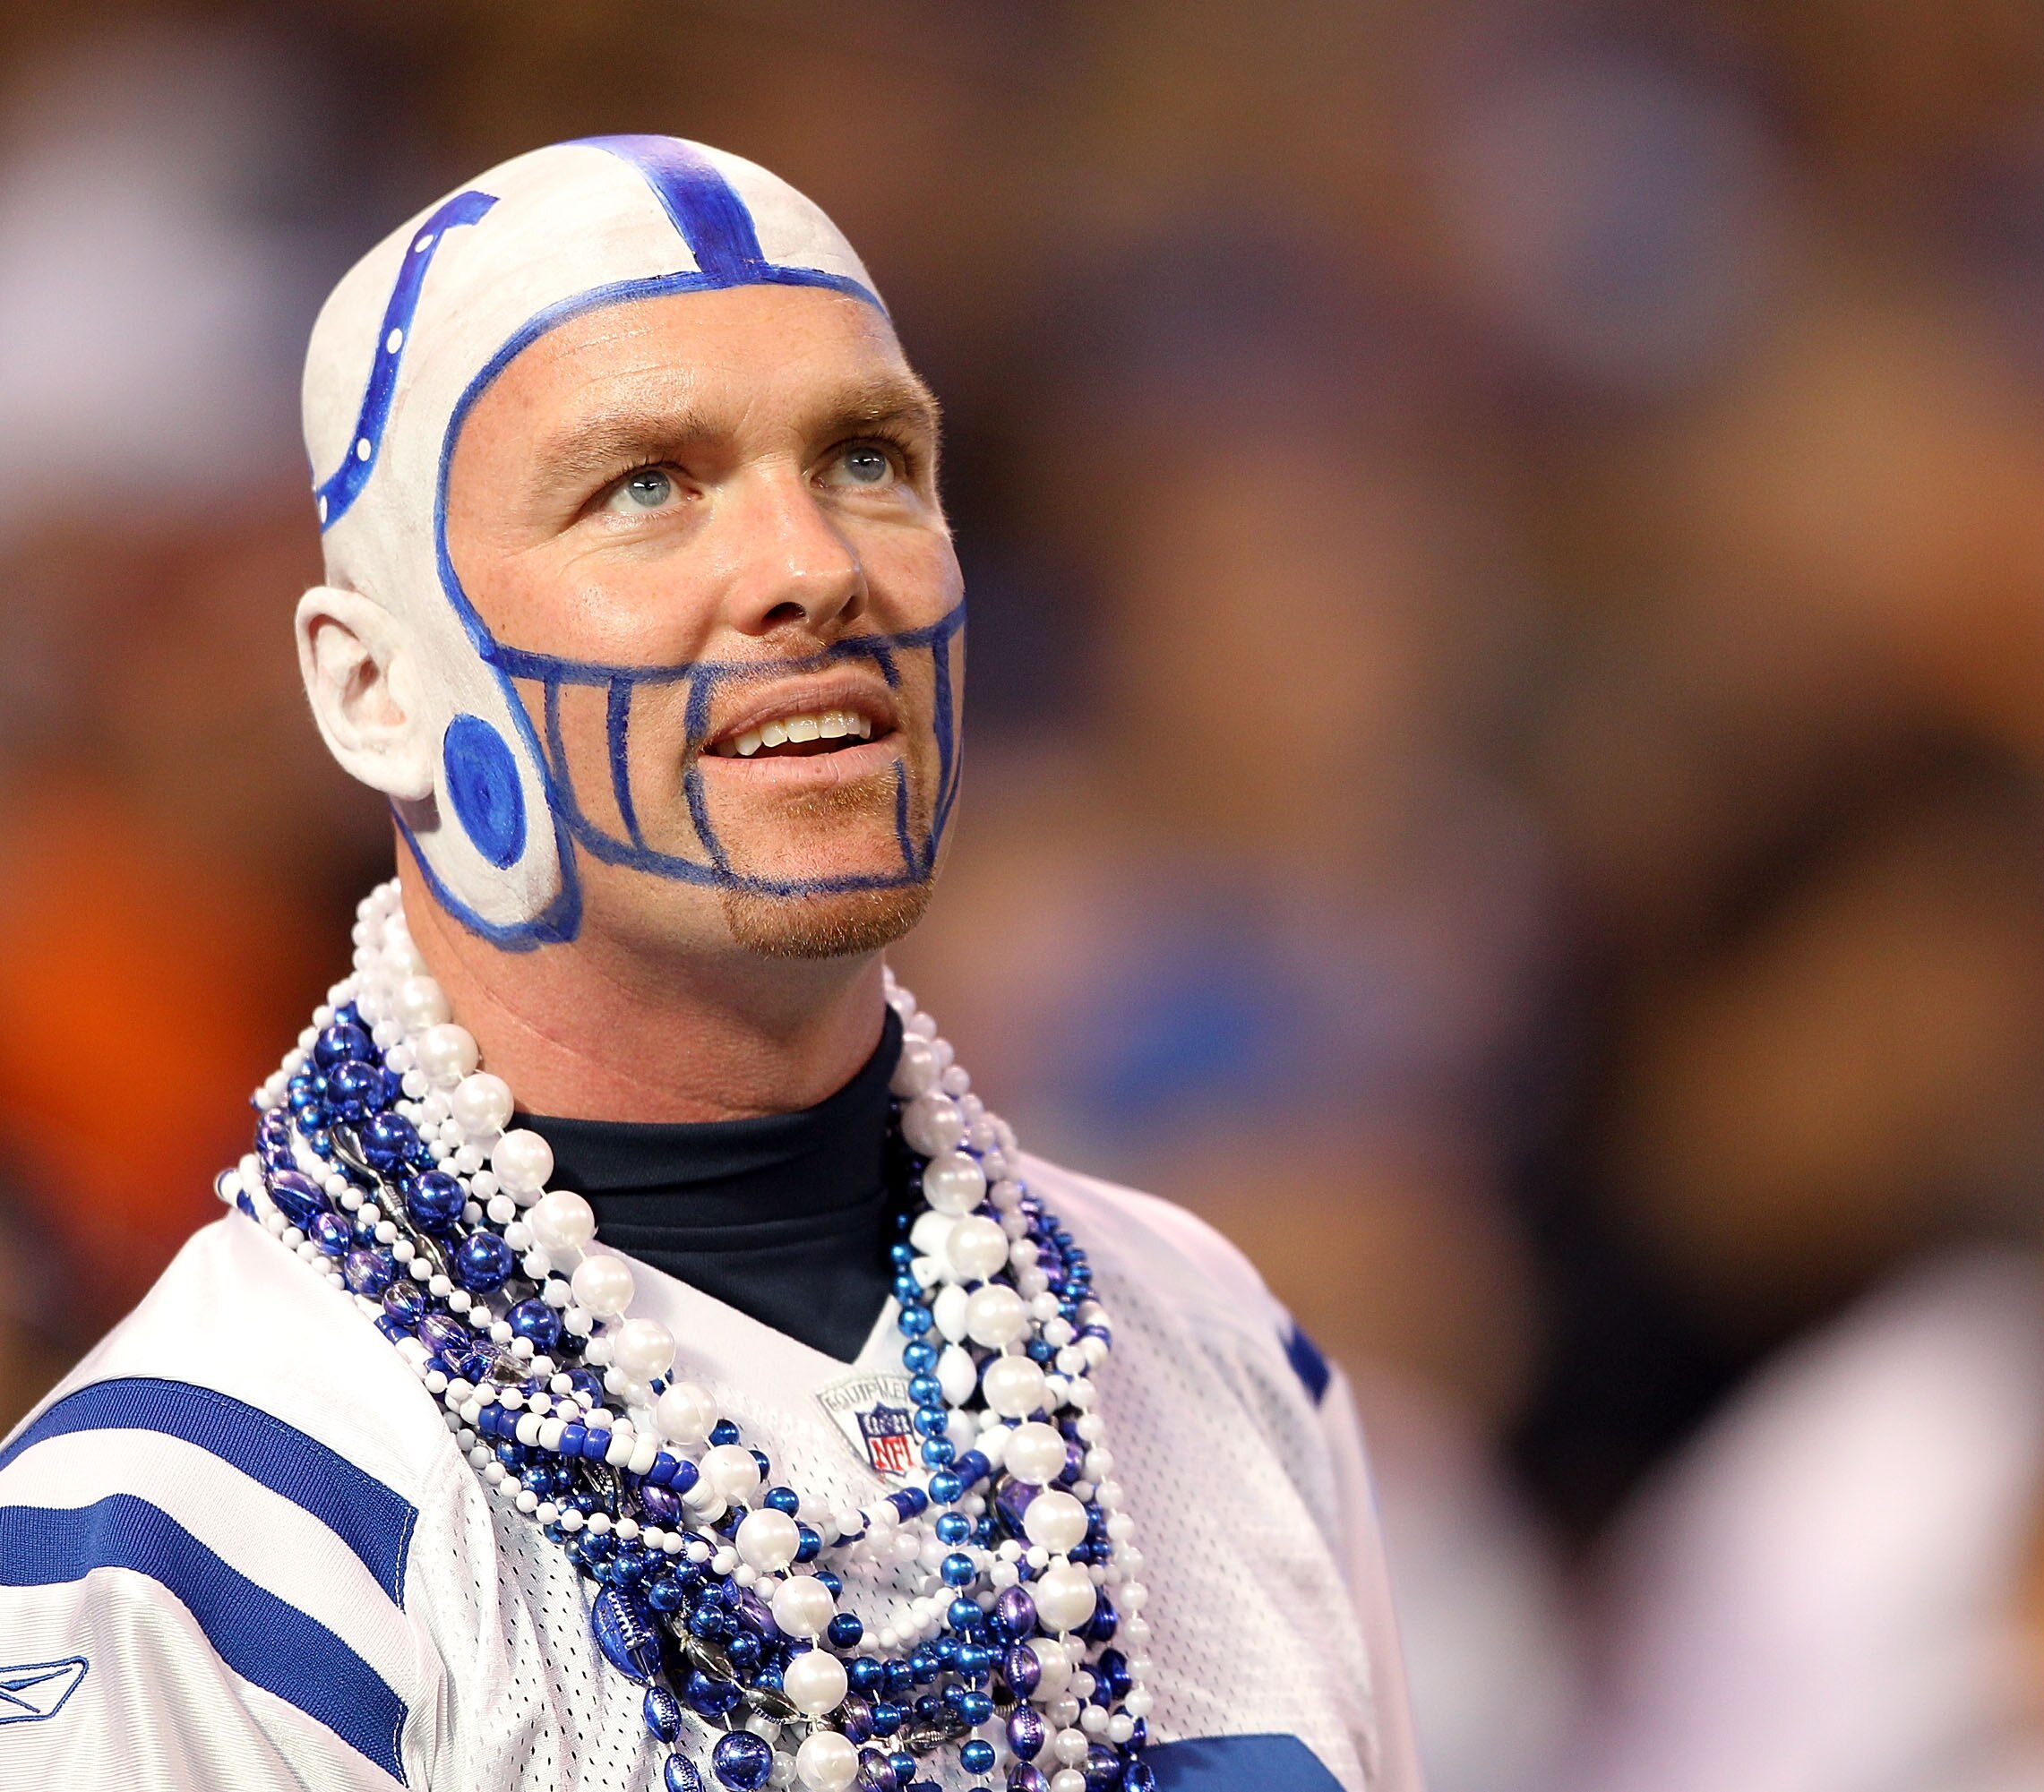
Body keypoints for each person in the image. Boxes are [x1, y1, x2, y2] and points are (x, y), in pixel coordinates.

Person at [0, 136, 1419, 1792]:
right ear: (375, 686)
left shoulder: (1209, 1347)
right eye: (646, 485)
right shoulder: (194, 1529)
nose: (815, 566)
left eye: (869, 457)